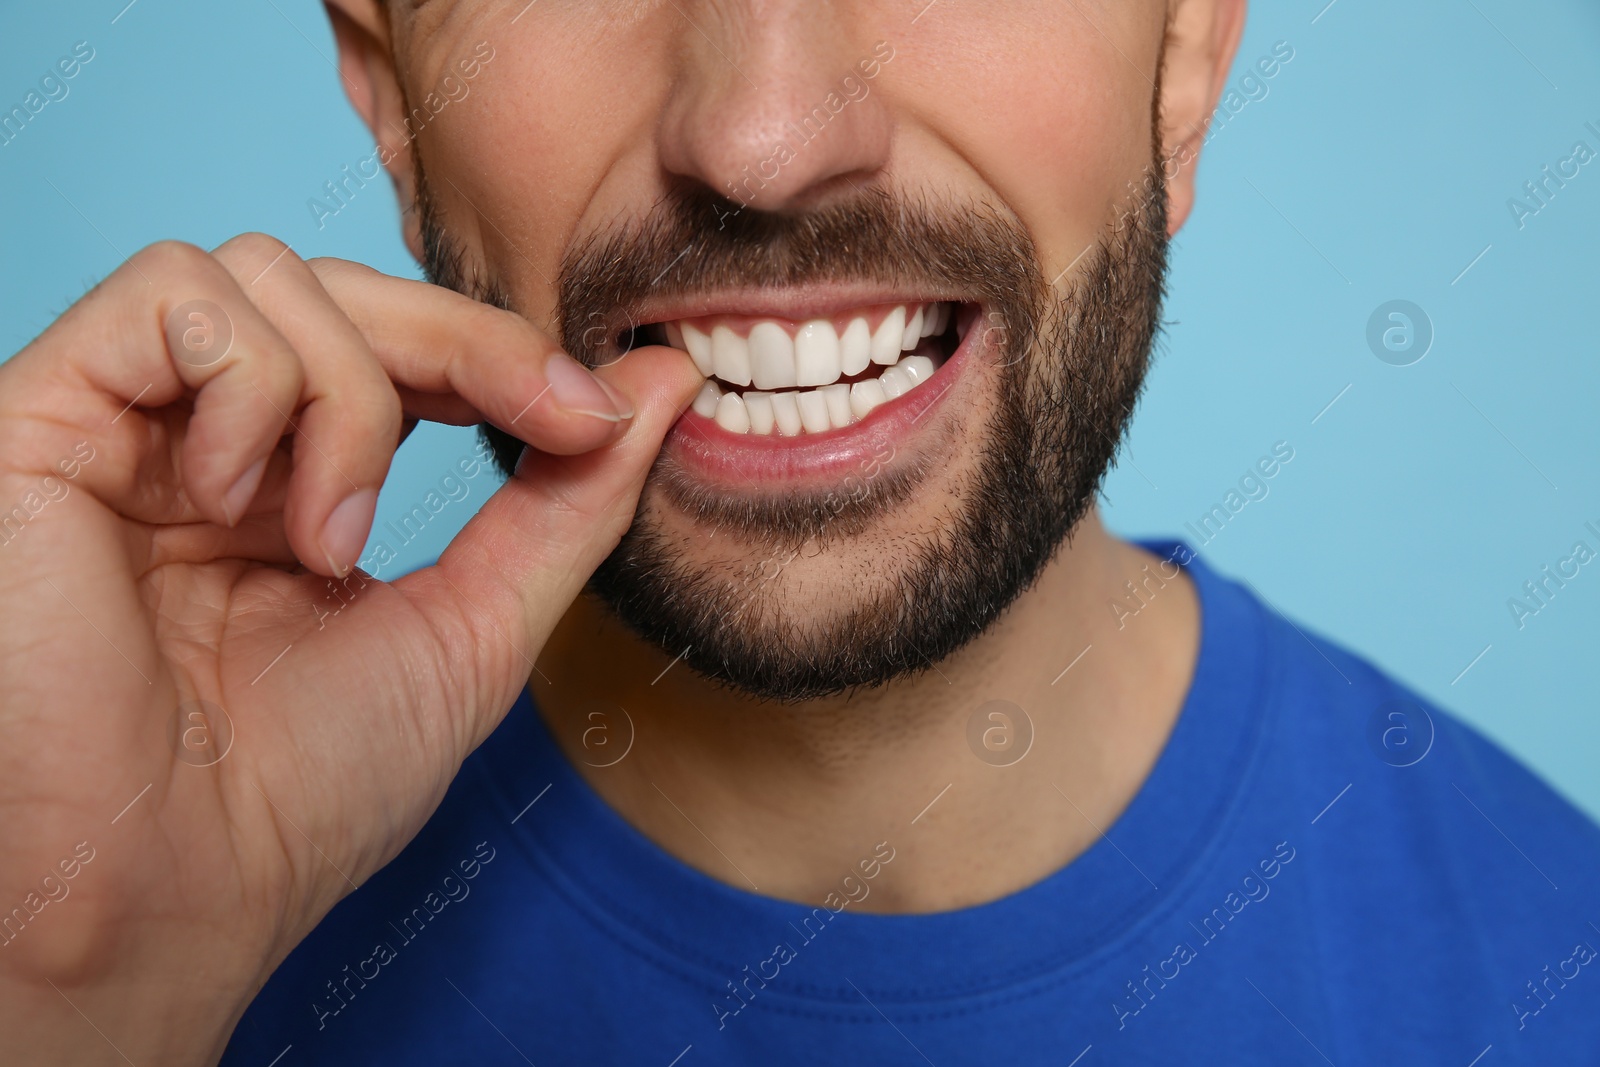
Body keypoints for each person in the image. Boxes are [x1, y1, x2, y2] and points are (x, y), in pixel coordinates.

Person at [3, 0, 1597, 1063]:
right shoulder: (110, 918)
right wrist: (66, 998)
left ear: (1181, 65)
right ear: (395, 100)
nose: (762, 141)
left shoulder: (1552, 977)